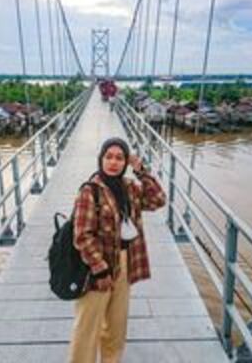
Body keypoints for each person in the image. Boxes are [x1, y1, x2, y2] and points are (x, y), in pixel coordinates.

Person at [68, 137, 166, 363]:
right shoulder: (90, 191)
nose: (113, 162)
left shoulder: (129, 187)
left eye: (120, 158)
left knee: (116, 325)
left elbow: (158, 200)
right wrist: (100, 269)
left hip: (124, 261)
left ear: (125, 162)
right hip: (95, 266)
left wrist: (141, 171)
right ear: (100, 159)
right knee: (87, 328)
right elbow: (82, 235)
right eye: (109, 157)